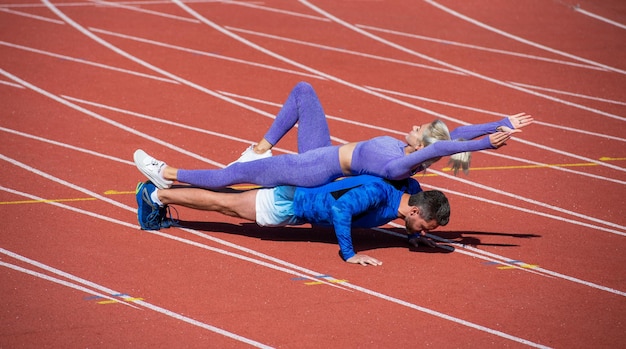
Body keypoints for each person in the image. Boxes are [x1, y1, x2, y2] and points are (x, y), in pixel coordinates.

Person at [134, 81, 533, 190]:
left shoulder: (401, 163)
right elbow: (455, 133)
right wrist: (500, 123)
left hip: (310, 169)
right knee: (304, 92)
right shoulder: (415, 150)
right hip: (323, 151)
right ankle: (259, 148)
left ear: (422, 146)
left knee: (232, 176)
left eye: (418, 130)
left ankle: (166, 173)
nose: (412, 126)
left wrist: (483, 146)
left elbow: (450, 143)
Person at [135, 174, 450, 266]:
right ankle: (156, 195)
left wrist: (411, 236)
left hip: (297, 202)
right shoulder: (380, 194)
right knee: (226, 206)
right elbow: (342, 210)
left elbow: (416, 186)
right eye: (424, 226)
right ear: (414, 213)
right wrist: (350, 254)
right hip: (292, 204)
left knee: (230, 197)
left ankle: (164, 194)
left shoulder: (408, 192)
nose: (423, 232)